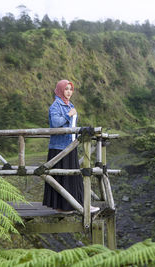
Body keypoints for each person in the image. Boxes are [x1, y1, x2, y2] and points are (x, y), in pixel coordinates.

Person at [43, 79, 99, 214]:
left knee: (74, 177)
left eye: (70, 89)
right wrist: (69, 115)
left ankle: (79, 204)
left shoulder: (69, 105)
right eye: (66, 89)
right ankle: (65, 206)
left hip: (70, 145)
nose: (69, 92)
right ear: (60, 90)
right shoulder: (56, 106)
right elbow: (56, 124)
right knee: (62, 177)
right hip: (59, 147)